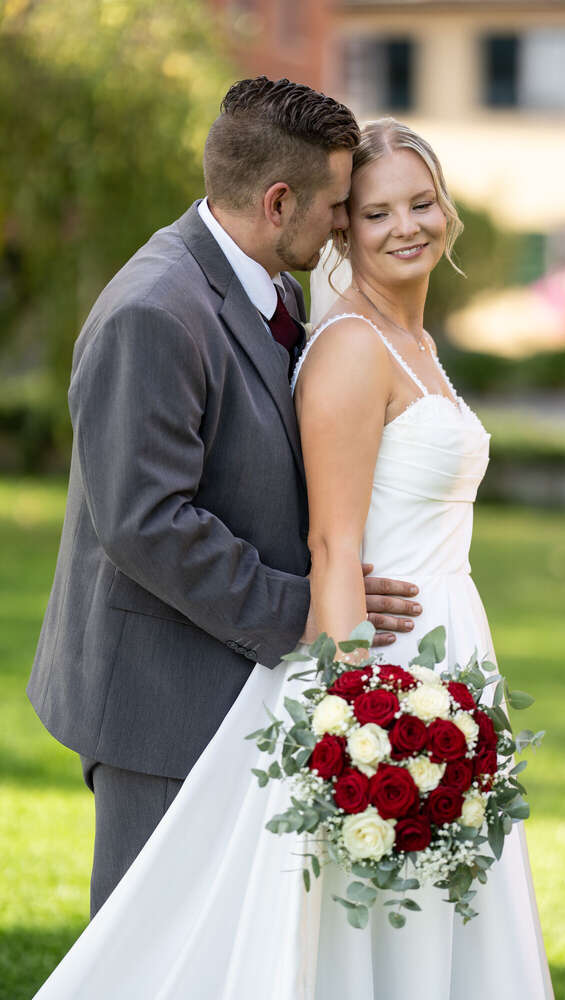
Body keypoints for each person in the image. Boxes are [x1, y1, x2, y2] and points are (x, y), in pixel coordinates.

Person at [31, 116, 554, 999]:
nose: (404, 226)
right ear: (315, 216)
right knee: (182, 940)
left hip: (433, 645)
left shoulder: (327, 319)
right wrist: (354, 701)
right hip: (312, 663)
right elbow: (200, 527)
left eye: (422, 203)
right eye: (366, 210)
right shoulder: (199, 312)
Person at [26, 77, 423, 924]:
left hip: (228, 675)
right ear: (279, 201)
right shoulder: (156, 312)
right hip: (157, 699)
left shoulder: (267, 281)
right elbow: (146, 524)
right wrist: (313, 608)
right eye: (337, 206)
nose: (346, 225)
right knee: (152, 952)